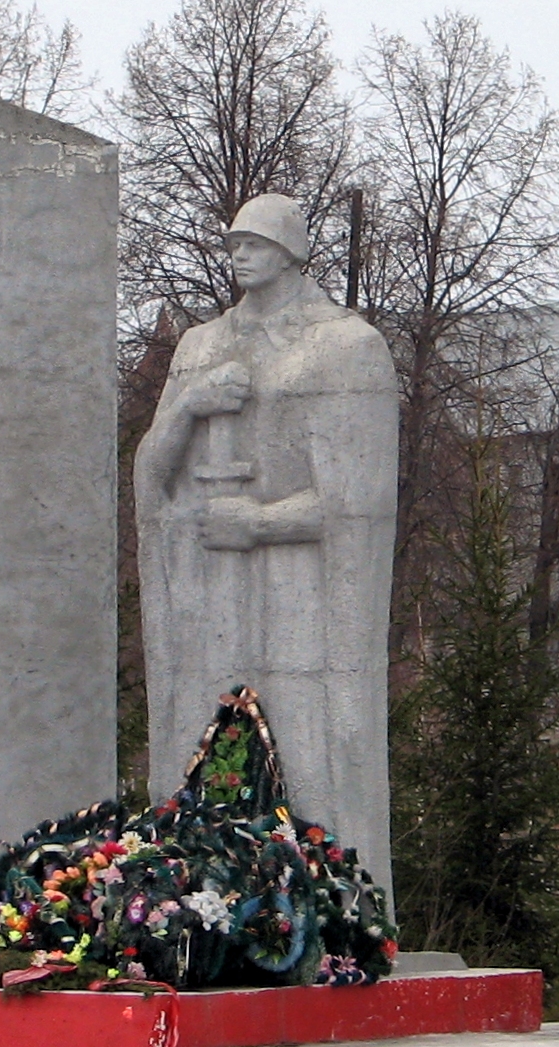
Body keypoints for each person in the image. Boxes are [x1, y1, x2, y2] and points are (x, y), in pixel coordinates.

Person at [134, 194, 399, 888]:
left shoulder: (345, 347)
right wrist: (190, 407)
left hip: (301, 599)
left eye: (256, 242)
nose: (241, 255)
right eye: (233, 245)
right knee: (202, 746)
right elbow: (151, 478)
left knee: (310, 747)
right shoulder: (200, 348)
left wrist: (257, 523)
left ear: (291, 251)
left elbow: (357, 504)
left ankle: (327, 901)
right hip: (208, 593)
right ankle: (192, 903)